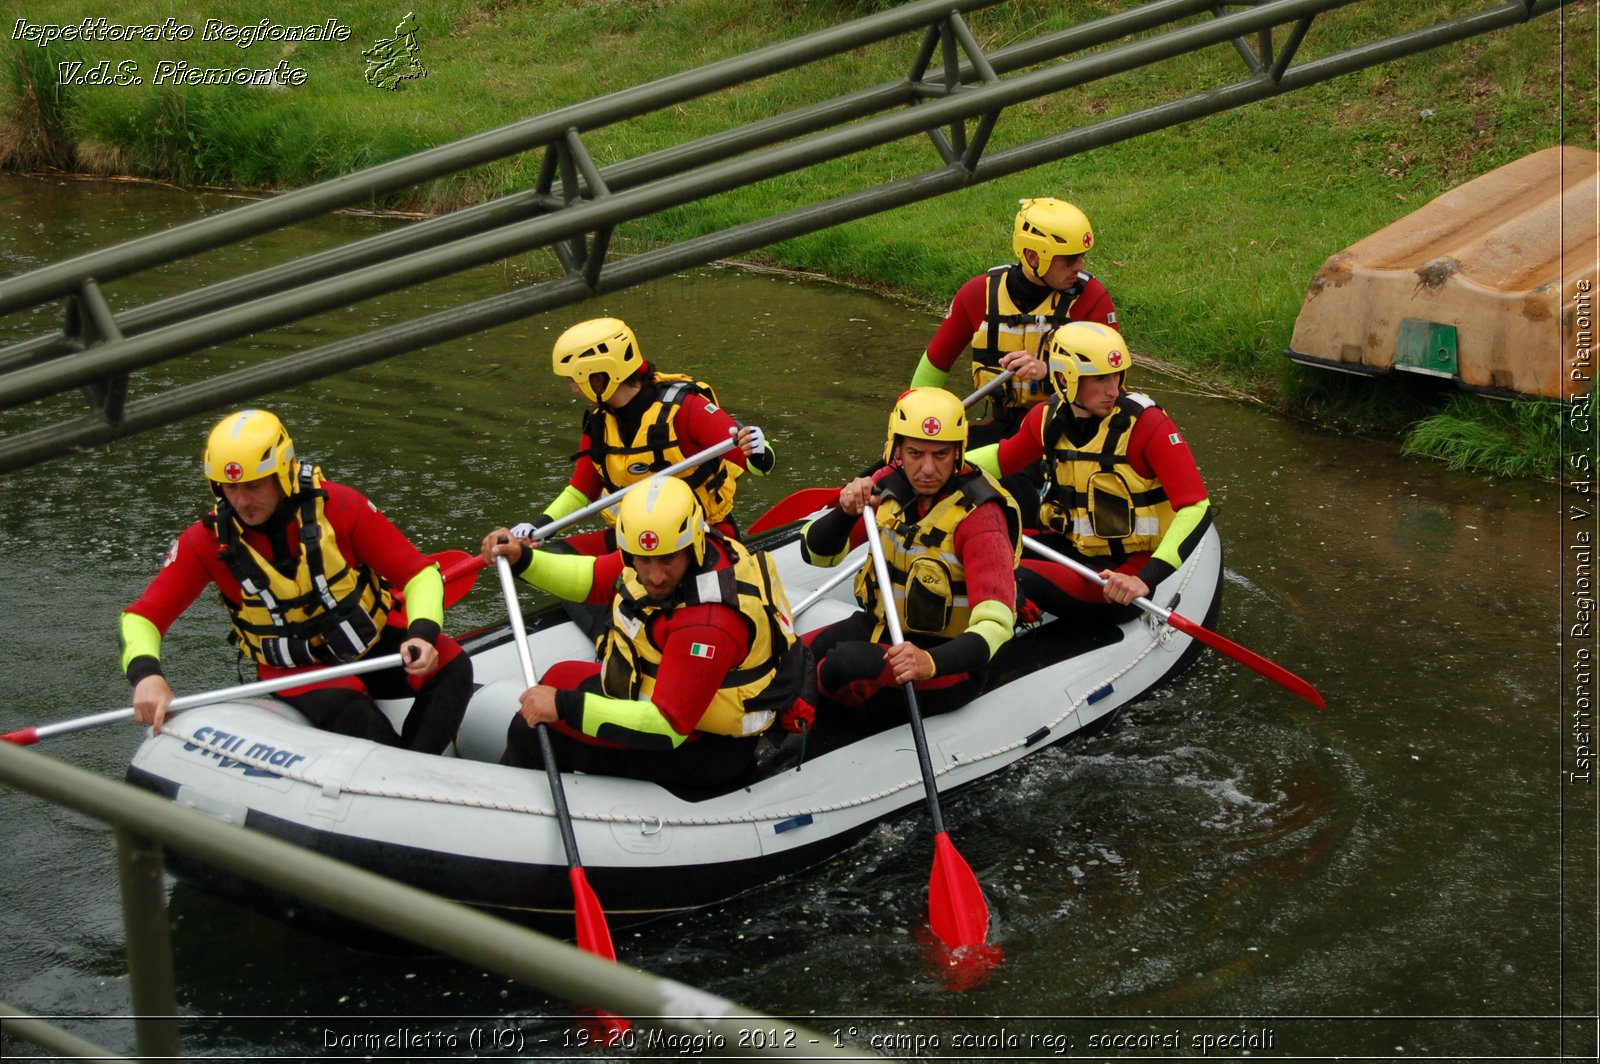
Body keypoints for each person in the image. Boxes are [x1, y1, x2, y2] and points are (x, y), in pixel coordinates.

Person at [122, 409, 472, 752]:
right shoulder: (204, 542)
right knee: (349, 710)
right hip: (295, 670)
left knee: (453, 665)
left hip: (368, 644)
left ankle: (419, 766)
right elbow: (143, 618)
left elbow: (419, 574)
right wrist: (147, 675)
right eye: (229, 488)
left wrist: (422, 634)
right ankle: (400, 778)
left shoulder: (342, 506)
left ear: (284, 474)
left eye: (253, 486)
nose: (242, 501)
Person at [483, 475, 816, 789]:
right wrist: (523, 559)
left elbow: (667, 727)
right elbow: (592, 578)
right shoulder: (690, 551)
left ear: (692, 546)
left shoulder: (709, 624)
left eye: (667, 560)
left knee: (531, 731)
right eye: (645, 560)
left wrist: (564, 706)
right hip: (677, 710)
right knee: (560, 675)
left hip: (707, 750)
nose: (655, 576)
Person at [799, 388, 1021, 729]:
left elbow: (996, 626)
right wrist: (846, 512)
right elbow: (817, 554)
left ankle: (823, 724)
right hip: (883, 628)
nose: (927, 469)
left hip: (947, 661)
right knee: (790, 655)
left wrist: (928, 662)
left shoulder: (980, 518)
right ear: (897, 450)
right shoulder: (887, 487)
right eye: (915, 453)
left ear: (959, 453)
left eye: (941, 454)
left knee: (840, 667)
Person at [966, 321, 1212, 624]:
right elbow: (1001, 459)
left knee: (1005, 572)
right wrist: (940, 461)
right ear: (1064, 378)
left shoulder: (1147, 426)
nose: (1113, 389)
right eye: (1099, 379)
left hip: (1121, 574)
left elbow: (1196, 507)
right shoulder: (1047, 418)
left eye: (1117, 375)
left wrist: (1144, 579)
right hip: (1070, 550)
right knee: (973, 548)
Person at [909, 198, 1120, 526]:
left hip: (1062, 431)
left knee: (1013, 484)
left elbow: (1112, 386)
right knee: (917, 464)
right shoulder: (978, 294)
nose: (1080, 266)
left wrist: (1050, 371)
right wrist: (913, 433)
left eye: (1082, 257)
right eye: (1069, 259)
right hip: (1003, 426)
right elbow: (932, 370)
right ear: (1035, 257)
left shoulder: (1091, 301)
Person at [517, 316, 775, 555]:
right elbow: (581, 492)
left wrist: (757, 448)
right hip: (637, 545)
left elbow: (759, 465)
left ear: (598, 377)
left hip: (702, 540)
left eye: (575, 379)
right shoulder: (599, 423)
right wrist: (539, 528)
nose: (573, 389)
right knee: (541, 558)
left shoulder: (686, 409)